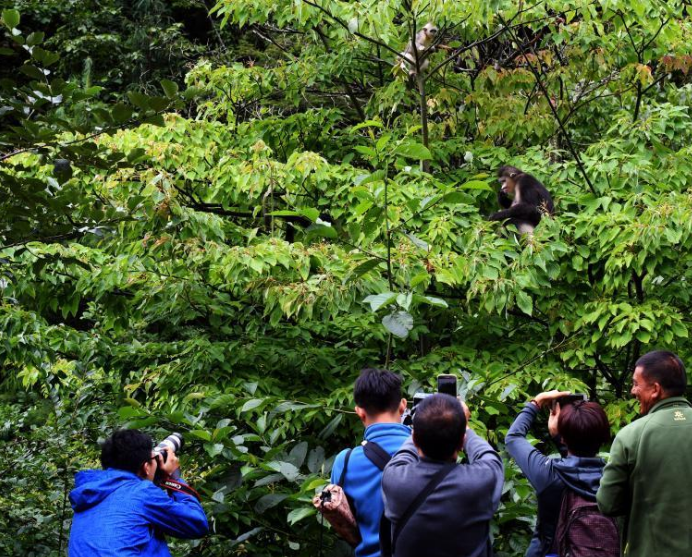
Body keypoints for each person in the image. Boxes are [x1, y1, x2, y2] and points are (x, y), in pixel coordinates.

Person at [381, 394, 503, 557]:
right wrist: (463, 425)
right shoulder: (479, 481)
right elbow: (488, 455)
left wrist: (424, 421)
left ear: (415, 439)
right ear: (461, 443)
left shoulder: (394, 479)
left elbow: (404, 453)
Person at [597, 350, 692, 556]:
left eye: (636, 384)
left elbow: (607, 503)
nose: (632, 391)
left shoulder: (631, 436)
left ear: (656, 389)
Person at [68, 429, 208, 556]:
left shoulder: (88, 495)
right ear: (146, 467)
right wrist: (174, 475)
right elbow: (197, 524)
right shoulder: (141, 492)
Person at [505, 390, 611, 557]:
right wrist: (561, 435)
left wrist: (536, 402)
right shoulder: (612, 477)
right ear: (603, 435)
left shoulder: (549, 475)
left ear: (564, 438)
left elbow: (513, 438)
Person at [328, 368, 411, 557]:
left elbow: (342, 516)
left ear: (360, 412)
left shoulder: (346, 462)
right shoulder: (431, 451)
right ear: (402, 406)